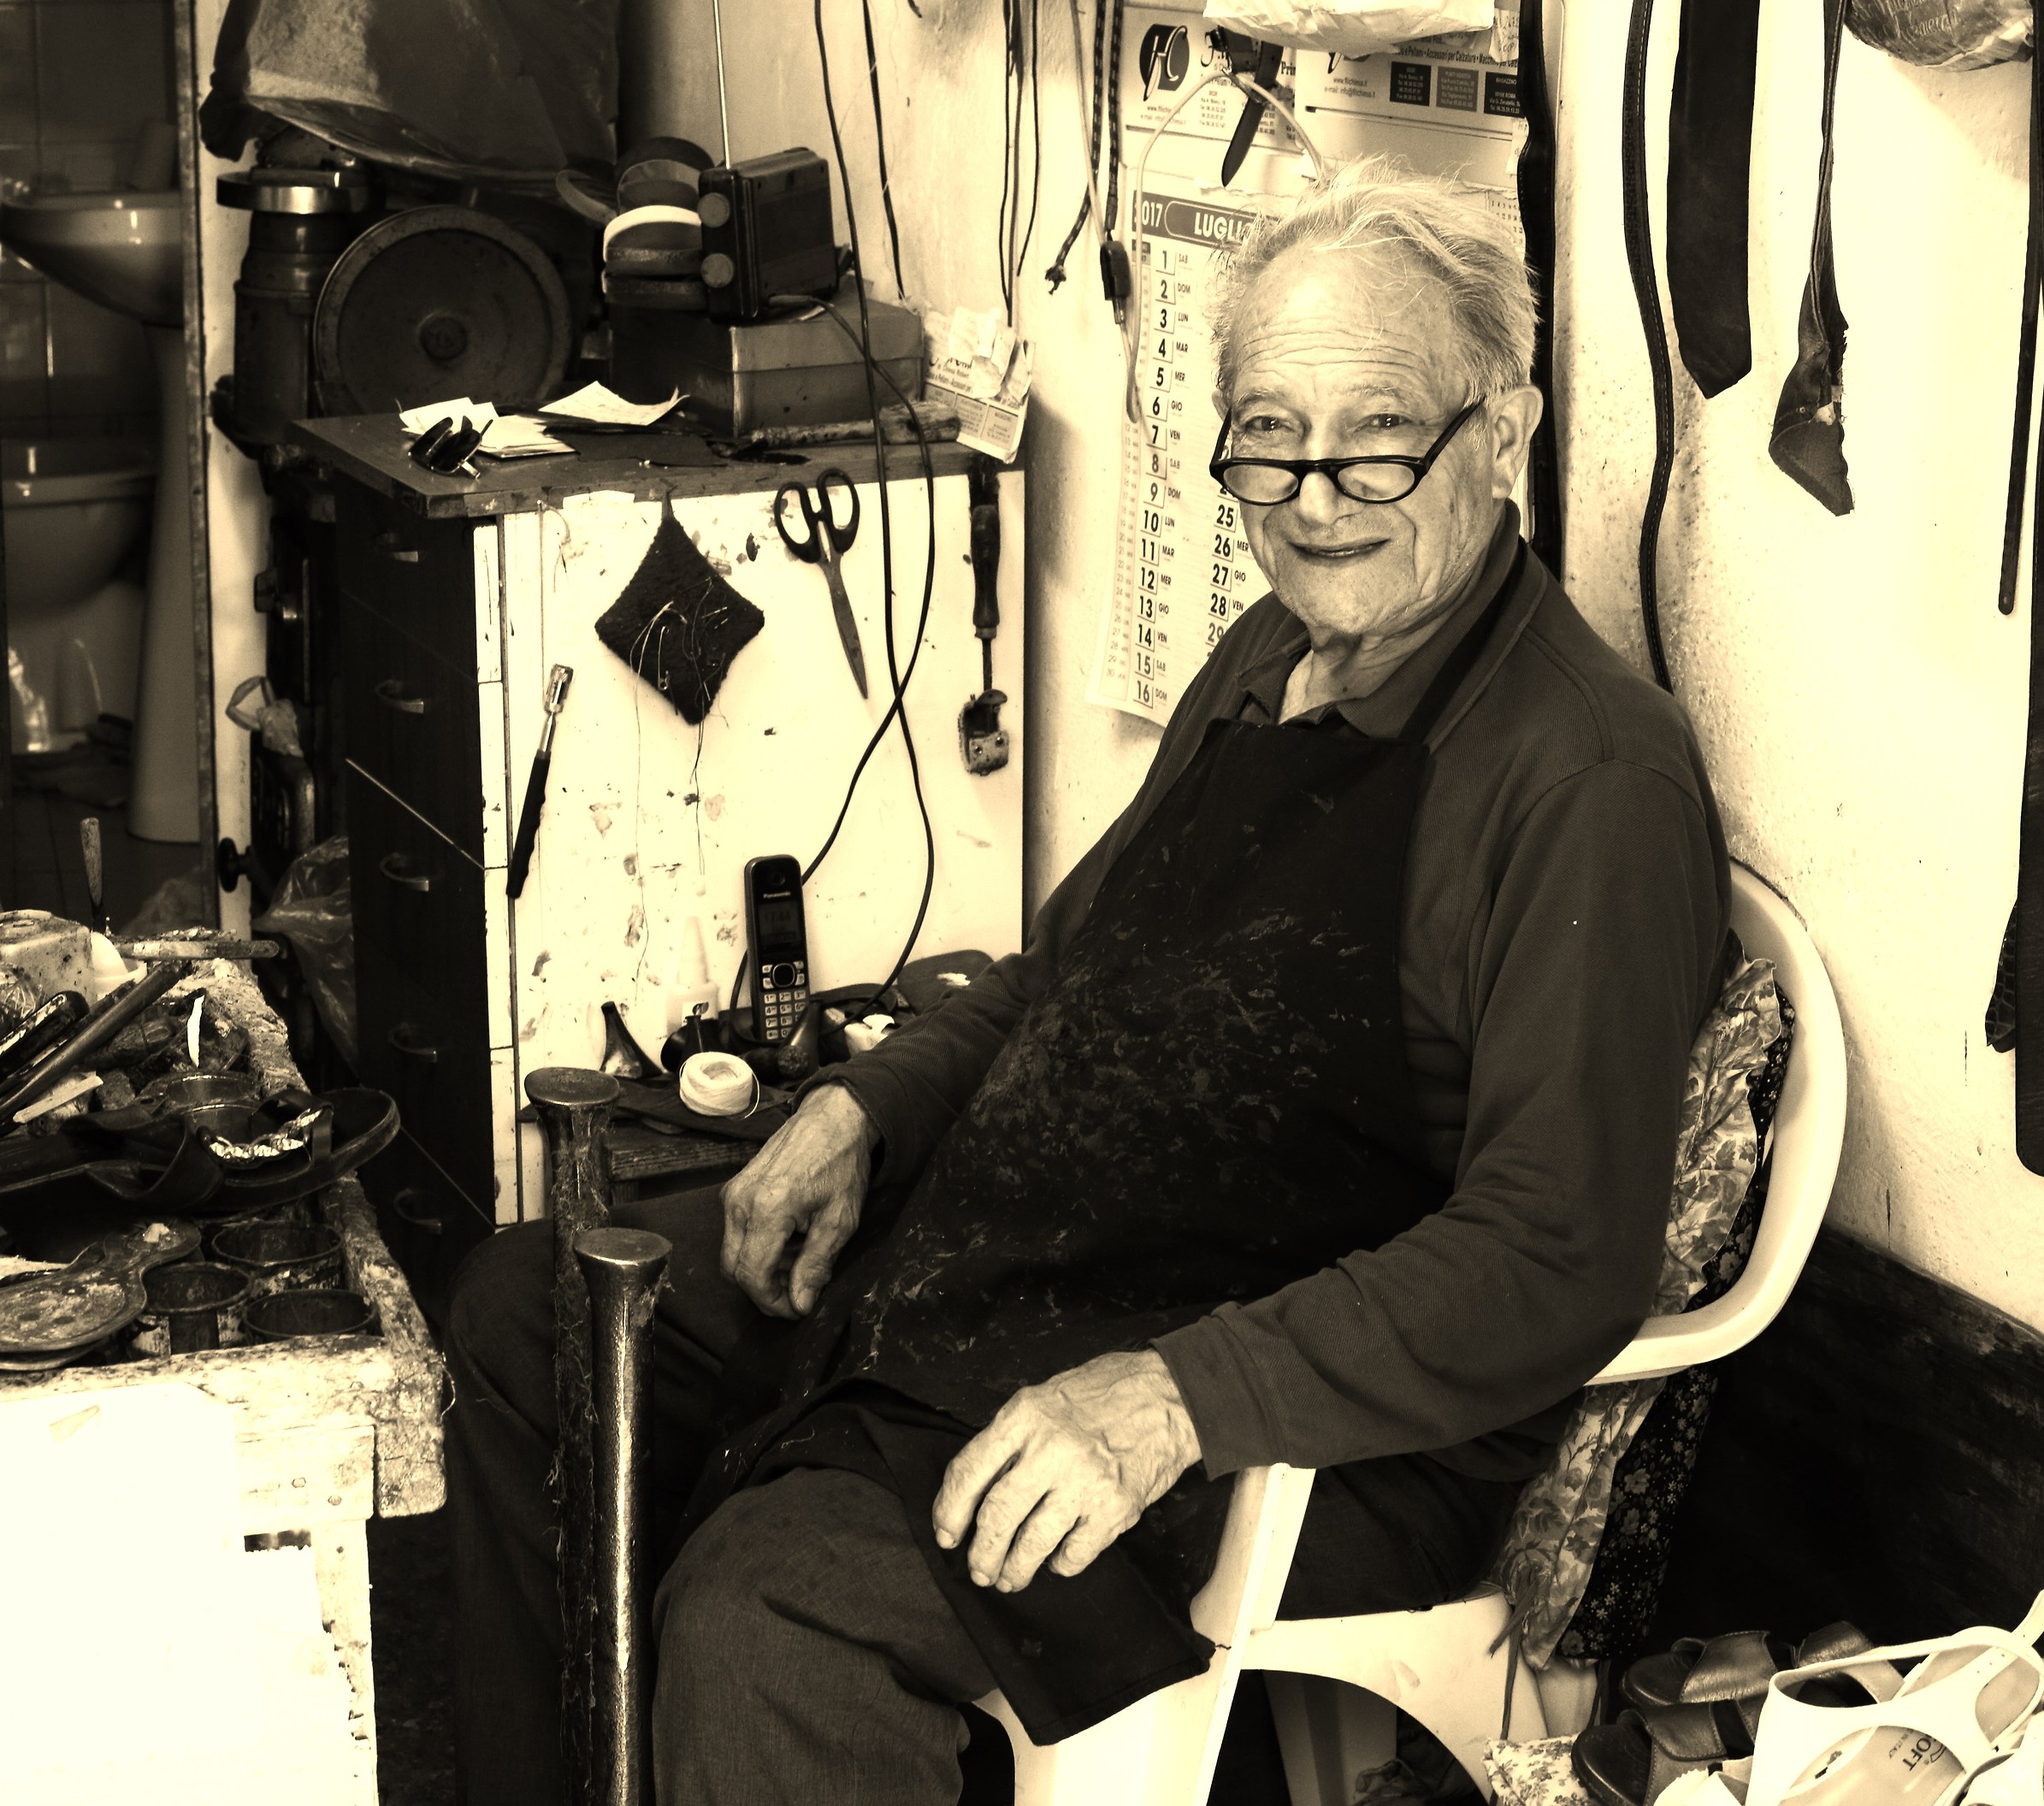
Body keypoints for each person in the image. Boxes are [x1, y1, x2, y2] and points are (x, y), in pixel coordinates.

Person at [446, 154, 1730, 1806]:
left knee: (779, 1609)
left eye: (1379, 437)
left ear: (1507, 426)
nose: (1316, 495)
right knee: (531, 1319)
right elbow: (1072, 972)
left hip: (1285, 1403)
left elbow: (1556, 1254)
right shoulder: (1277, 651)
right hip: (1037, 1259)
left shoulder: (1586, 778)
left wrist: (1176, 1400)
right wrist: (869, 1104)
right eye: (1269, 436)